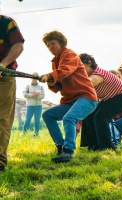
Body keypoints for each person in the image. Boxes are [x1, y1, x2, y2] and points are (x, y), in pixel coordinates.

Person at [39, 31, 98, 163]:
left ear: (61, 43)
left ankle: (69, 151)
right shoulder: (55, 62)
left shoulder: (69, 54)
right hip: (71, 100)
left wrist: (50, 76)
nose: (50, 47)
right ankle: (61, 147)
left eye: (53, 43)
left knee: (69, 118)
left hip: (87, 98)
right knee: (48, 115)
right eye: (48, 46)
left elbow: (65, 70)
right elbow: (58, 85)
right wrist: (50, 81)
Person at [79, 53, 122, 151]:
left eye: (80, 66)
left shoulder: (97, 73)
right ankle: (93, 145)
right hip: (110, 99)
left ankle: (107, 147)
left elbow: (89, 82)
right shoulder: (89, 74)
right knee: (89, 114)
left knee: (100, 117)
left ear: (89, 63)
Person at [0, 14, 24, 172]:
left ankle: (0, 160)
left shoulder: (7, 22)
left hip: (4, 76)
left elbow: (18, 46)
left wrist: (2, 64)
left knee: (2, 118)